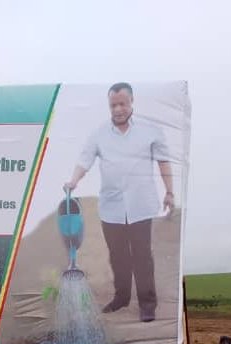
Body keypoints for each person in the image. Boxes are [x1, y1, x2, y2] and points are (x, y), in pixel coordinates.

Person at [64, 82, 174, 321]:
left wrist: (169, 192)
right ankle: (121, 297)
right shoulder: (99, 134)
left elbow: (163, 161)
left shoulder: (150, 131)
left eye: (122, 104)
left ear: (131, 102)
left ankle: (147, 304)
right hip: (111, 207)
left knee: (142, 256)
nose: (118, 109)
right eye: (113, 105)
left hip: (141, 205)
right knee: (117, 255)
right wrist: (74, 181)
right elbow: (84, 160)